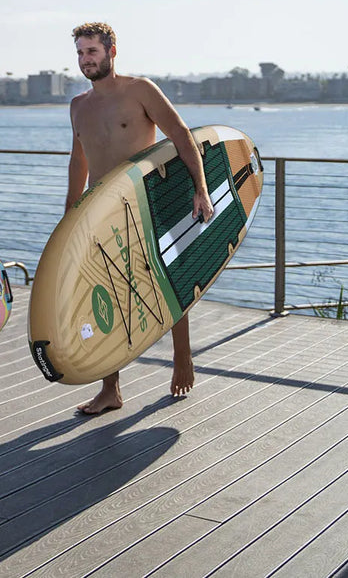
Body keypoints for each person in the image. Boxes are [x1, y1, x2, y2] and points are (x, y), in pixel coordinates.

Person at [66, 23, 215, 416]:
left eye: (92, 51)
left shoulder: (140, 90)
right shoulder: (78, 105)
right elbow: (78, 160)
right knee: (107, 294)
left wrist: (200, 189)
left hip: (143, 201)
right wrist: (69, 215)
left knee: (166, 279)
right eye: (80, 53)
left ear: (111, 51)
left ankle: (182, 358)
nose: (85, 60)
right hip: (100, 210)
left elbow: (181, 135)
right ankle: (110, 390)